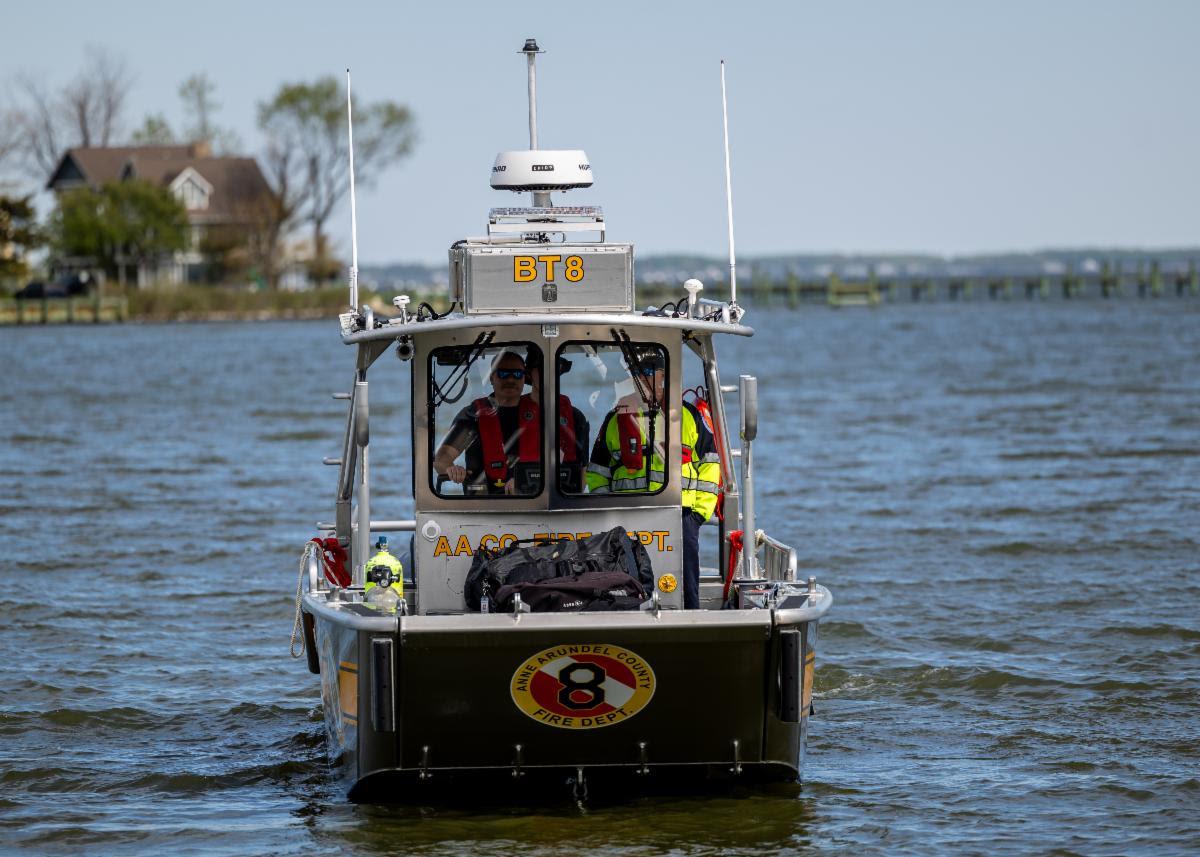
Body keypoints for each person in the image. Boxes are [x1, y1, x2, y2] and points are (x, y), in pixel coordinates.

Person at [585, 350, 720, 608]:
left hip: (681, 518)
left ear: (664, 375)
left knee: (684, 587)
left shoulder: (689, 417)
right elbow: (597, 472)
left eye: (650, 371)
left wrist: (698, 515)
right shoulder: (615, 419)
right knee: (624, 589)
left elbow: (711, 464)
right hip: (626, 519)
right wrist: (608, 514)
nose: (643, 378)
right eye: (637, 373)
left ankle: (688, 621)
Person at [433, 350, 541, 495]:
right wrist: (451, 469)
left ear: (524, 378)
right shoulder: (473, 416)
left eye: (517, 374)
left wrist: (522, 483)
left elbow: (559, 462)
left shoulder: (542, 414)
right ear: (491, 378)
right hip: (483, 504)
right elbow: (441, 459)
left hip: (533, 503)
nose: (510, 380)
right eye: (503, 374)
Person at [527, 345, 590, 492]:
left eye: (553, 368)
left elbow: (583, 474)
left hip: (564, 499)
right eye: (541, 368)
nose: (548, 374)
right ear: (529, 373)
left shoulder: (576, 417)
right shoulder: (514, 413)